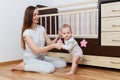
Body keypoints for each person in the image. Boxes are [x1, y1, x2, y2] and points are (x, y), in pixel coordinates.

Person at [11, 6, 66, 74]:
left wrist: (57, 36)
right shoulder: (27, 32)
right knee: (50, 68)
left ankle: (39, 64)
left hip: (41, 58)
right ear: (29, 16)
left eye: (38, 14)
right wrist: (54, 46)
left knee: (63, 63)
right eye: (35, 15)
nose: (37, 16)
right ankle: (23, 66)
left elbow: (49, 43)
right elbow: (36, 50)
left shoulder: (41, 28)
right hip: (31, 59)